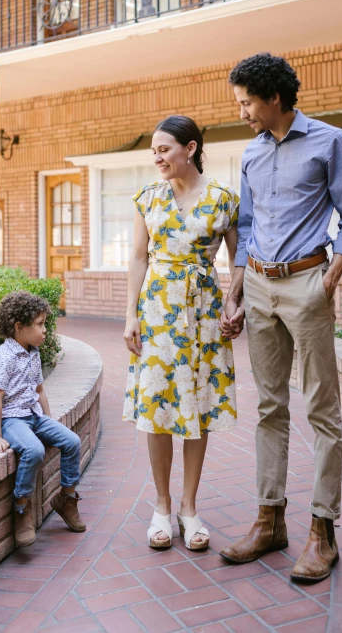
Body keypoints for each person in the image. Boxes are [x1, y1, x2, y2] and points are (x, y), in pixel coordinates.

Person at [219, 53, 342, 583]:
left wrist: (329, 280)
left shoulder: (329, 142)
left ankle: (322, 532)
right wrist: (235, 293)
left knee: (322, 410)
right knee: (268, 407)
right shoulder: (251, 154)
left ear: (274, 98)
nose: (243, 113)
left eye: (247, 102)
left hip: (308, 282)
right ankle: (269, 521)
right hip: (257, 284)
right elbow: (249, 225)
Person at [123, 115, 240, 551]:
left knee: (199, 407)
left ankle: (190, 509)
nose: (157, 157)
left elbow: (236, 259)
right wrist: (130, 314)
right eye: (153, 151)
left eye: (164, 149)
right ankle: (161, 507)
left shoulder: (225, 199)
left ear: (190, 149)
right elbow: (138, 258)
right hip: (156, 312)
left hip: (205, 313)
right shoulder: (148, 198)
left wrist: (234, 301)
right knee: (157, 408)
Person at [0, 291, 85, 547]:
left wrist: (49, 422)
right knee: (33, 450)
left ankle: (67, 498)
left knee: (72, 441)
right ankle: (21, 508)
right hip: (12, 420)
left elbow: (39, 390)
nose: (44, 331)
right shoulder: (2, 358)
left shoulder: (33, 353)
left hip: (34, 416)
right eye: (39, 324)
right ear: (19, 327)